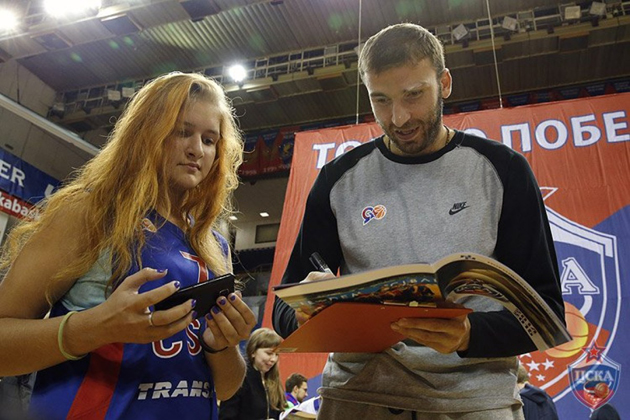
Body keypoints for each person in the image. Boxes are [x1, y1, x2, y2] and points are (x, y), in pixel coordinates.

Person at [273, 23, 566, 419]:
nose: (399, 117)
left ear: (444, 83)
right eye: (381, 100)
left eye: (414, 95)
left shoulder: (503, 171)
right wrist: (305, 311)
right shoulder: (337, 180)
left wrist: (469, 335)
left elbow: (546, 313)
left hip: (473, 401)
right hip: (359, 396)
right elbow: (283, 309)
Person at [0, 72, 258, 420]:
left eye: (210, 139)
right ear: (146, 133)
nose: (197, 148)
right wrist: (95, 328)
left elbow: (224, 389)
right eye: (182, 131)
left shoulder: (214, 245)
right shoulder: (90, 213)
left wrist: (223, 345)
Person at [219, 328, 286, 420]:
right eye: (269, 353)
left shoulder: (274, 381)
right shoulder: (239, 379)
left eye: (277, 354)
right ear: (253, 352)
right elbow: (226, 417)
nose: (273, 359)